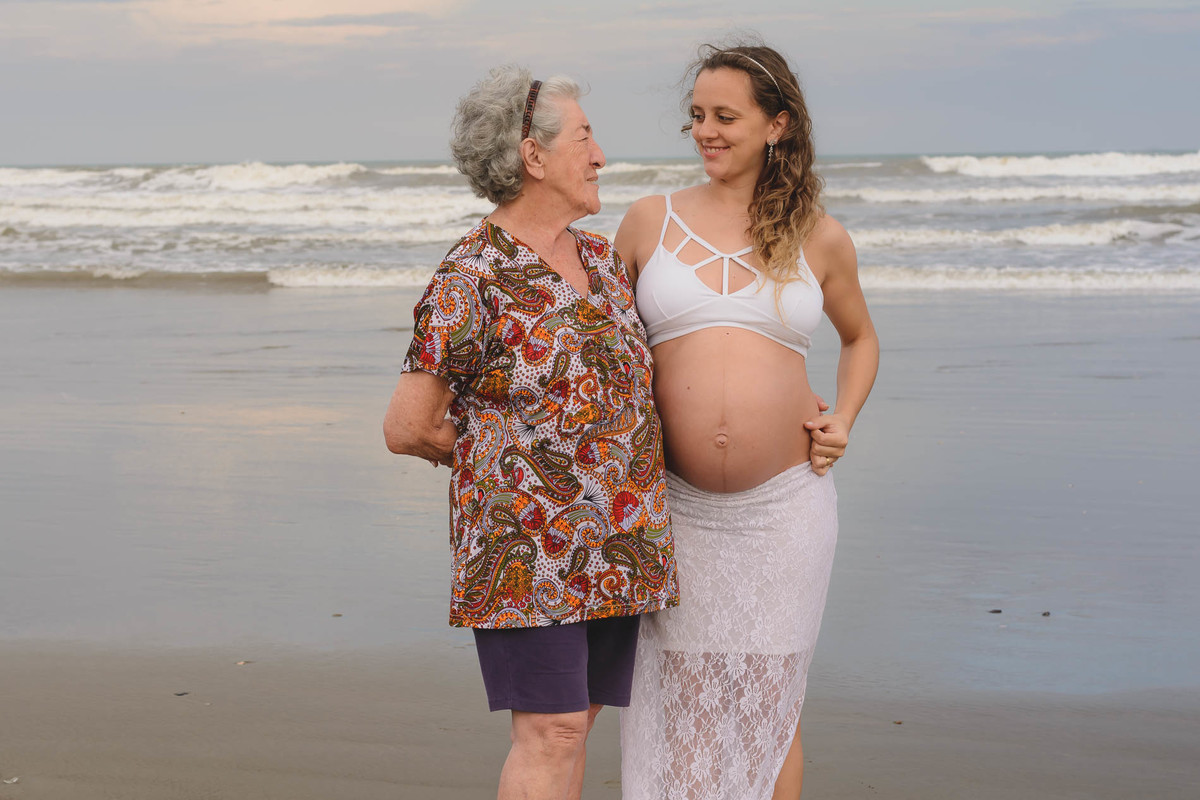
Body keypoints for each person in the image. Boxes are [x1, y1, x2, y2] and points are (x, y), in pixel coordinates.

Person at [382, 65, 678, 800]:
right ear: (532, 156)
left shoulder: (604, 263)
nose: (601, 154)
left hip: (620, 541)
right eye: (584, 137)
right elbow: (406, 425)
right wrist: (510, 460)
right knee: (551, 732)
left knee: (578, 720)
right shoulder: (471, 276)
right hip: (528, 552)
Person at [616, 43, 879, 799]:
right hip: (674, 508)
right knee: (686, 695)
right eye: (696, 116)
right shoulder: (645, 223)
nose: (706, 130)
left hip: (784, 509)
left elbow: (860, 338)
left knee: (771, 699)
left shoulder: (819, 236)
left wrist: (847, 417)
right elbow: (594, 345)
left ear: (778, 125)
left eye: (726, 116)